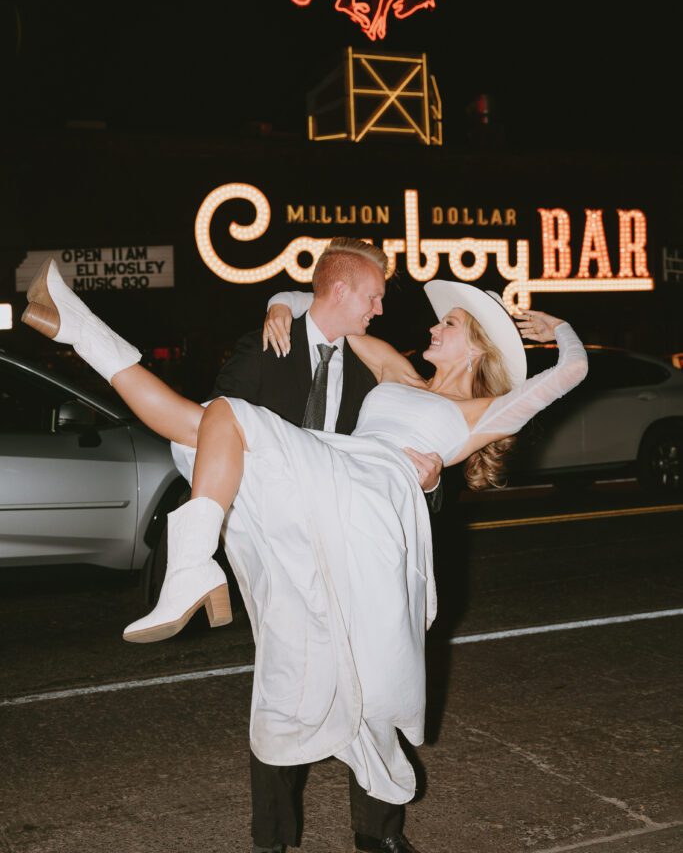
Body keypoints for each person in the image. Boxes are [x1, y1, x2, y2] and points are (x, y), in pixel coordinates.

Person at [21, 254, 589, 853]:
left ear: (476, 348)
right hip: (328, 483)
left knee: (220, 419)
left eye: (447, 324)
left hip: (371, 507)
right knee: (205, 419)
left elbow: (568, 375)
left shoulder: (480, 416)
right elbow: (320, 308)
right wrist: (278, 304)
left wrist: (562, 332)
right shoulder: (395, 370)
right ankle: (76, 325)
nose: (429, 328)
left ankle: (190, 560)